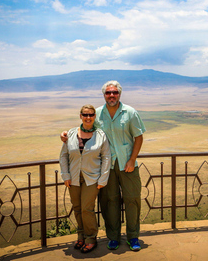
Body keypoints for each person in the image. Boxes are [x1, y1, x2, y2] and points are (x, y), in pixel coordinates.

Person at [61, 80, 146, 252]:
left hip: (127, 164)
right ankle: (113, 237)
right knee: (109, 202)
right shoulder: (97, 114)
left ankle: (133, 236)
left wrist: (132, 160)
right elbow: (86, 127)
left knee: (132, 200)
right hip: (106, 167)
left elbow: (139, 137)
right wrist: (66, 134)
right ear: (104, 95)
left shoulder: (130, 112)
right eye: (108, 93)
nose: (111, 95)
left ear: (119, 94)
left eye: (114, 92)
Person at [59, 104, 111, 253]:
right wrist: (65, 175)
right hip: (74, 177)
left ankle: (90, 238)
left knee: (86, 209)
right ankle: (81, 236)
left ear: (95, 116)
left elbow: (106, 157)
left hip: (92, 178)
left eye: (91, 115)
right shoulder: (70, 134)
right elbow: (63, 156)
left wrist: (103, 179)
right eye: (85, 114)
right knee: (77, 208)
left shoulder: (101, 135)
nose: (88, 117)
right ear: (80, 116)